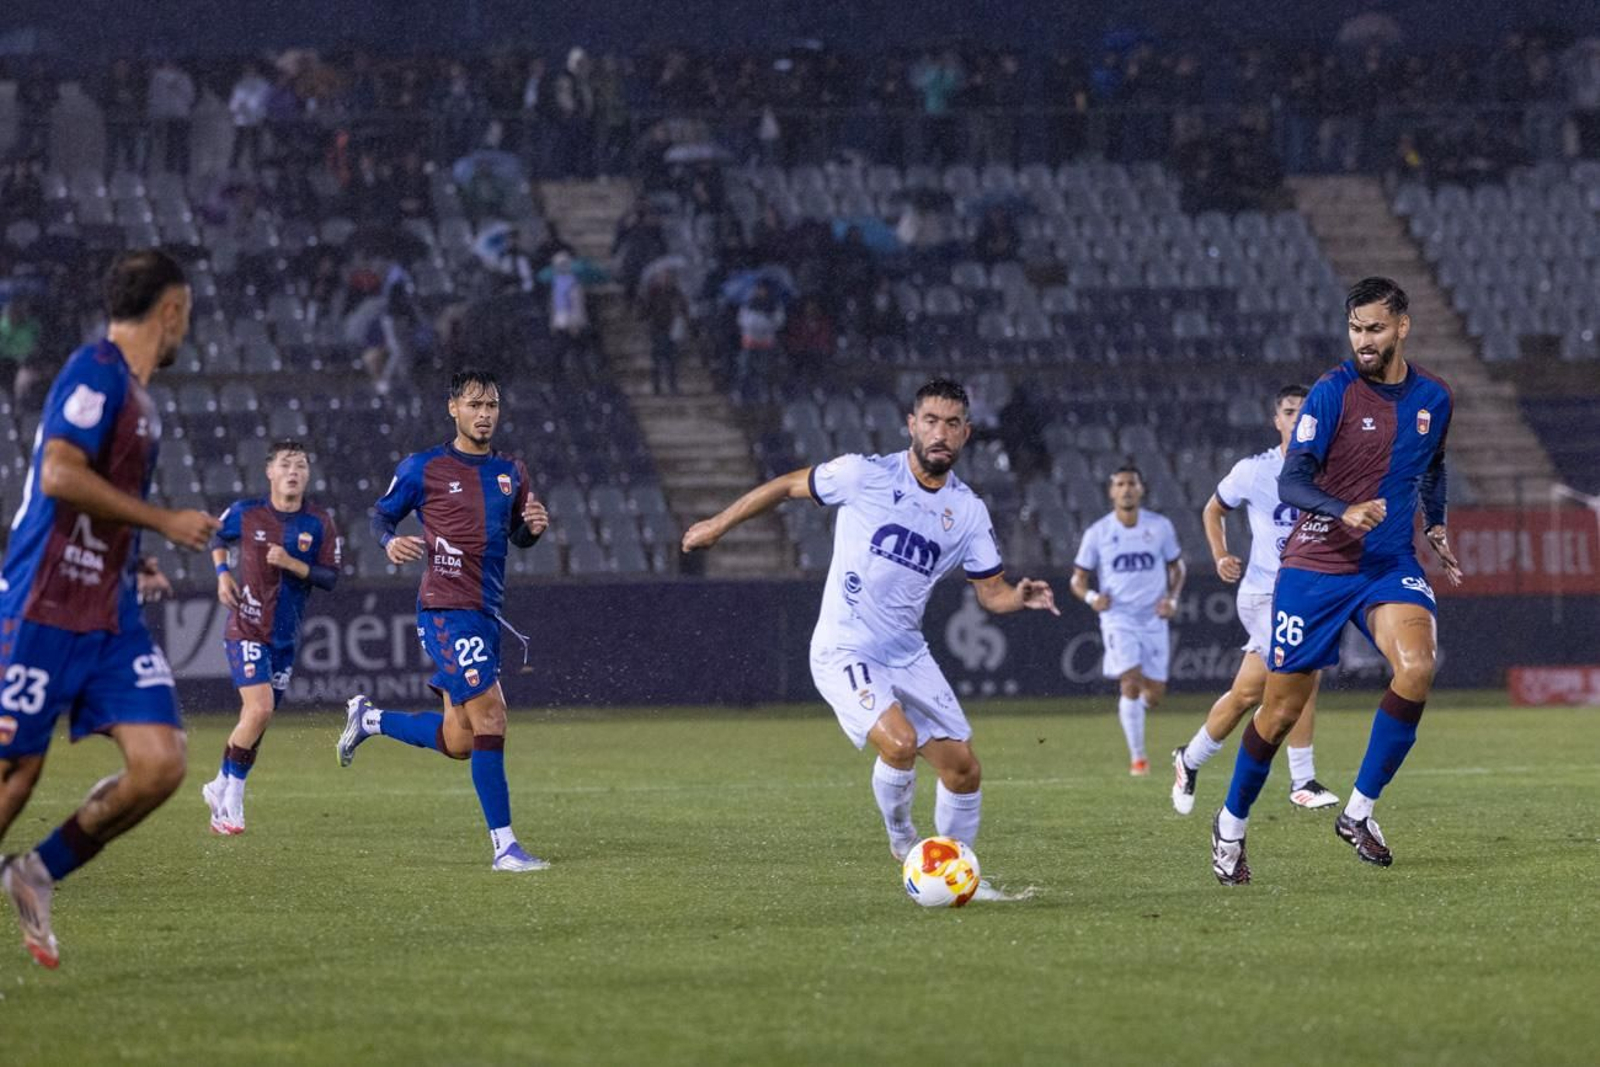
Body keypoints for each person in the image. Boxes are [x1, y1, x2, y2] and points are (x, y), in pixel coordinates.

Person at [682, 378, 1059, 899]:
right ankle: (904, 839)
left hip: (906, 652)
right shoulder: (864, 475)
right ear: (911, 425)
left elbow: (990, 593)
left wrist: (1020, 596)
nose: (940, 433)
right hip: (844, 647)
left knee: (964, 769)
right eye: (930, 420)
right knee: (900, 742)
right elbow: (788, 485)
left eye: (952, 424)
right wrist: (719, 525)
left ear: (967, 434)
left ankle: (956, 873)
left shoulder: (968, 512)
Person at [0, 250, 219, 968]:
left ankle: (36, 872)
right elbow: (61, 473)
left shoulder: (136, 394)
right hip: (45, 602)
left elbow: (92, 497)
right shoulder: (97, 369)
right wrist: (161, 520)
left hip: (108, 609)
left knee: (161, 763)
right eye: (186, 311)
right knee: (15, 774)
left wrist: (129, 548)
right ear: (172, 309)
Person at [1210, 277, 1462, 886]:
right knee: (1278, 712)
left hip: (1385, 565)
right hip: (1318, 564)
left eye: (1375, 329)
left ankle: (1358, 812)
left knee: (1418, 666)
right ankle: (1229, 825)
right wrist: (1341, 509)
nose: (1364, 341)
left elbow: (1433, 466)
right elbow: (1293, 482)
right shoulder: (1331, 393)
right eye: (1355, 329)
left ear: (1402, 326)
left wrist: (1437, 526)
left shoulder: (1435, 396)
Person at [336, 369, 552, 872]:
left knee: (460, 741)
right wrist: (390, 542)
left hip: (486, 611)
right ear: (452, 408)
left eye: (492, 405)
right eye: (474, 404)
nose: (484, 414)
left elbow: (517, 536)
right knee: (493, 717)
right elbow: (380, 516)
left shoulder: (512, 473)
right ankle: (505, 848)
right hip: (444, 607)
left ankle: (368, 719)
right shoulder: (423, 468)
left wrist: (533, 530)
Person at [1171, 386, 1338, 816]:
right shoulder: (1255, 471)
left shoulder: (1331, 472)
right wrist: (1221, 554)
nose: (1298, 418)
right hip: (1263, 593)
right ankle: (1302, 780)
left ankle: (1188, 759)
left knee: (1247, 694)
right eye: (1288, 411)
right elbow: (1213, 509)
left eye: (1305, 412)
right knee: (1302, 668)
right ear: (1277, 421)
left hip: (1305, 595)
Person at [201, 441, 341, 835]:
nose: (293, 471)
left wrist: (292, 563)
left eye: (300, 464)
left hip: (285, 636)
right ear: (270, 472)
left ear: (308, 474)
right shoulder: (247, 512)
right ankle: (232, 802)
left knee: (256, 719)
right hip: (246, 625)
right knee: (259, 710)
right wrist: (223, 575)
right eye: (285, 464)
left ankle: (219, 784)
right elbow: (216, 538)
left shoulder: (319, 523)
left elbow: (330, 577)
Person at [1069, 466, 1186, 776]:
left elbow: (1178, 568)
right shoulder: (1098, 533)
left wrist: (1172, 599)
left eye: (1131, 483)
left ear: (1141, 489)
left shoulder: (1160, 527)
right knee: (1130, 682)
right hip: (1118, 618)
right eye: (1120, 484)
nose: (1126, 489)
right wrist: (1093, 598)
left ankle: (1132, 711)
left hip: (1153, 617)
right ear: (1111, 492)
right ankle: (1139, 759)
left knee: (1155, 694)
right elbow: (1077, 580)